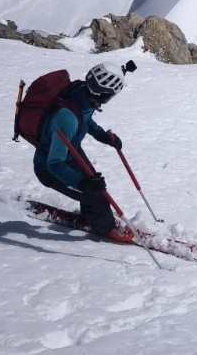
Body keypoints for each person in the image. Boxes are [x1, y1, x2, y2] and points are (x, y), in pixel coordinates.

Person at [32, 63, 126, 237]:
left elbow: (85, 117)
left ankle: (90, 216)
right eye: (112, 95)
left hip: (71, 152)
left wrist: (101, 135)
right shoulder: (67, 120)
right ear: (104, 96)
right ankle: (106, 229)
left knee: (94, 183)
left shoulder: (82, 93)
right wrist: (82, 183)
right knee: (97, 196)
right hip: (49, 169)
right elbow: (54, 164)